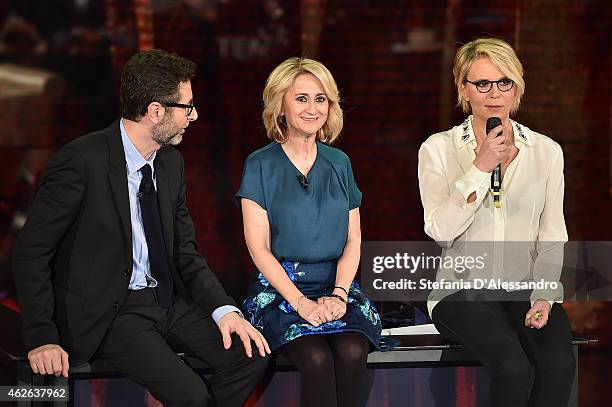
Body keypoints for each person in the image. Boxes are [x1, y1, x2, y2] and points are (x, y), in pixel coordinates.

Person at [12, 49, 269, 407]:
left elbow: (185, 254)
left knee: (251, 356)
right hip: (112, 313)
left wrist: (225, 311)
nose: (193, 117)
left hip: (165, 301)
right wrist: (42, 335)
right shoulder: (81, 162)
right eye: (188, 107)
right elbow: (31, 252)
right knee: (192, 396)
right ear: (155, 111)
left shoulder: (170, 164)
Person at [418, 38, 575, 406]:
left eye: (504, 82)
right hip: (461, 292)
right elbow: (440, 230)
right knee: (513, 367)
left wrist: (544, 295)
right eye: (482, 84)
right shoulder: (437, 149)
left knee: (557, 363)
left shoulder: (546, 152)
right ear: (464, 89)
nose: (494, 93)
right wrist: (480, 168)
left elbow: (552, 234)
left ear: (517, 87)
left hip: (524, 289)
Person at [236, 57, 394, 407]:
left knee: (353, 351)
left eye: (320, 99)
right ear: (281, 105)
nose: (313, 108)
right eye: (301, 98)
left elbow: (353, 240)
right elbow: (258, 248)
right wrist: (301, 303)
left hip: (336, 285)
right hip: (282, 291)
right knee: (317, 359)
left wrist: (338, 295)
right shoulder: (260, 164)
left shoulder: (340, 163)